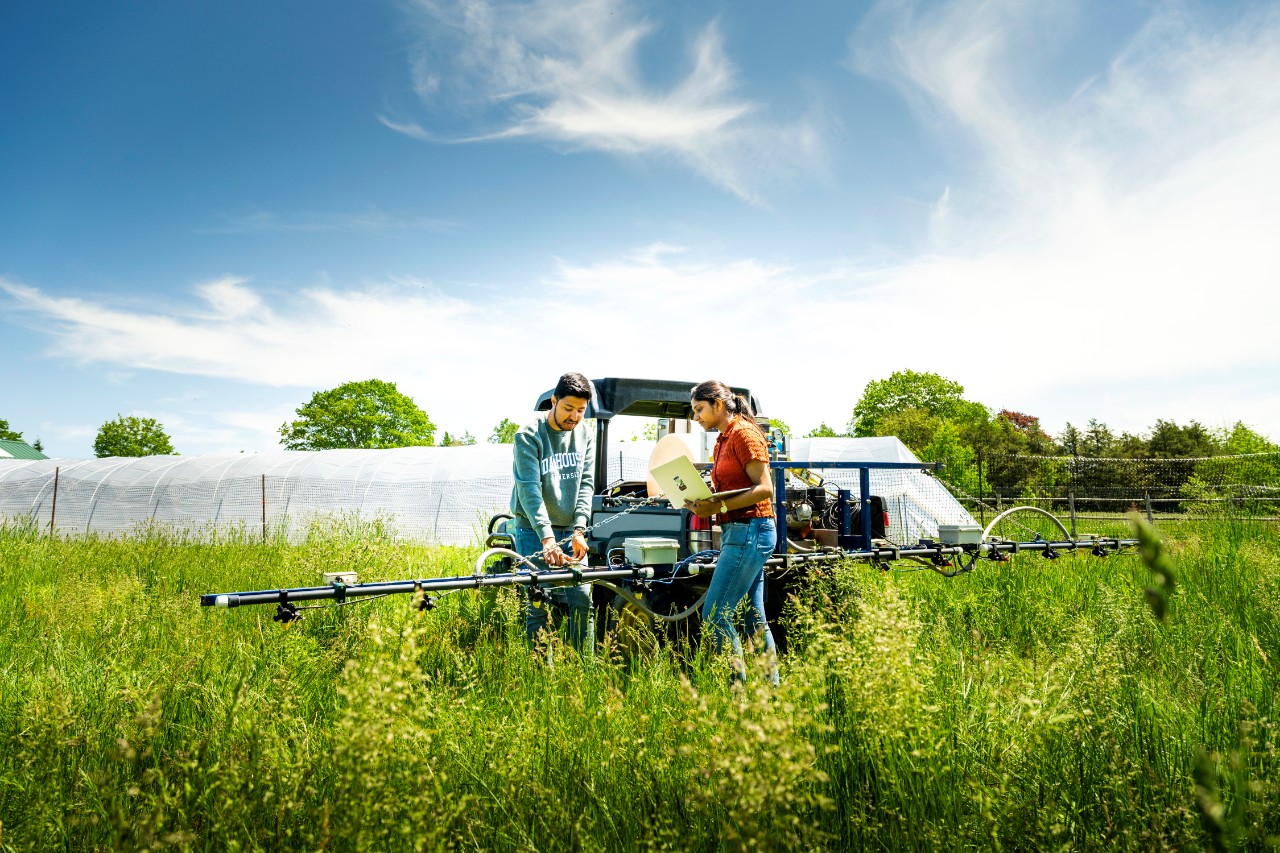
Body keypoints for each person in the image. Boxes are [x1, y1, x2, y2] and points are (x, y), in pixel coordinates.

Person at [684, 379, 779, 685]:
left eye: (699, 409)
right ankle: (771, 694)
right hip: (739, 532)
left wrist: (718, 509)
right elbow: (732, 485)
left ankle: (735, 694)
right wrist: (703, 496)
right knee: (753, 616)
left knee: (714, 614)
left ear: (718, 404)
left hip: (750, 530)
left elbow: (765, 489)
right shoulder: (723, 438)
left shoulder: (744, 434)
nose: (696, 417)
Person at [510, 372, 596, 656]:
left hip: (571, 527)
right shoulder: (529, 435)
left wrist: (579, 530)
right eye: (568, 408)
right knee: (539, 601)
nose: (574, 416)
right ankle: (540, 676)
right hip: (533, 530)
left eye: (581, 411)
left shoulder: (586, 434)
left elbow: (586, 483)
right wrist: (547, 539)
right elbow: (530, 490)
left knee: (582, 599)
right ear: (554, 401)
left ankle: (584, 671)